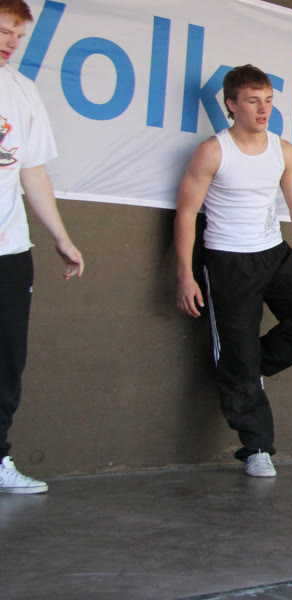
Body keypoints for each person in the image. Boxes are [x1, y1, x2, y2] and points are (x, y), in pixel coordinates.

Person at [174, 65, 292, 478]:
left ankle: (247, 368)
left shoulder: (283, 151)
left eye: (268, 100)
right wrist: (185, 275)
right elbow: (187, 213)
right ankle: (257, 448)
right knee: (238, 356)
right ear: (231, 105)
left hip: (274, 254)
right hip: (228, 261)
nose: (263, 109)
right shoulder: (213, 151)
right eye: (252, 101)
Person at [0, 0, 85, 494]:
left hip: (10, 251)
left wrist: (60, 236)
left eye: (17, 35)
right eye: (3, 31)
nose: (11, 43)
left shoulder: (22, 91)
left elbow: (31, 170)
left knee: (7, 360)